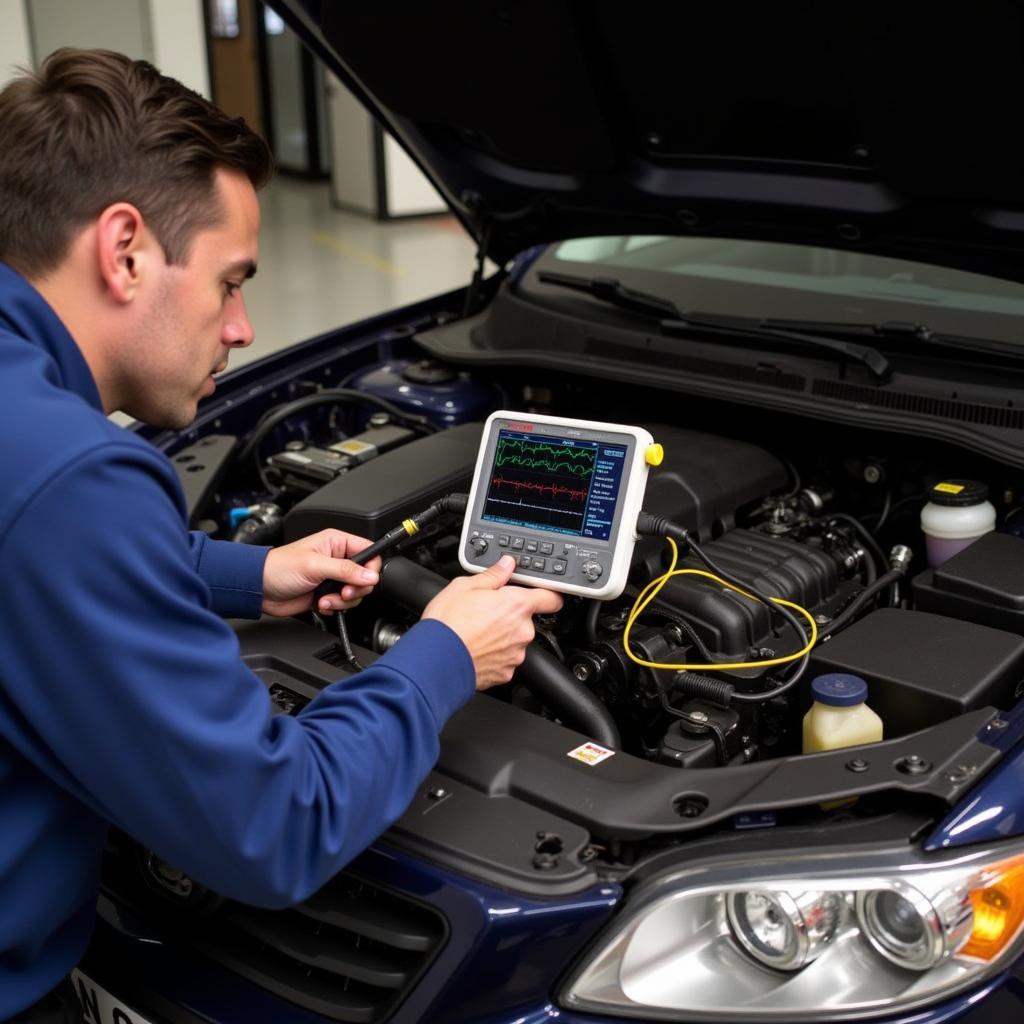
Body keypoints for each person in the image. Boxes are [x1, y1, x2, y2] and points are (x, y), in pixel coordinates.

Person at [0, 48, 562, 1022]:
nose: (245, 327)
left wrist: (247, 573)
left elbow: (28, 558)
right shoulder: (78, 474)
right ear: (125, 249)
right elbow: (271, 827)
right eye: (229, 282)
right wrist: (446, 654)